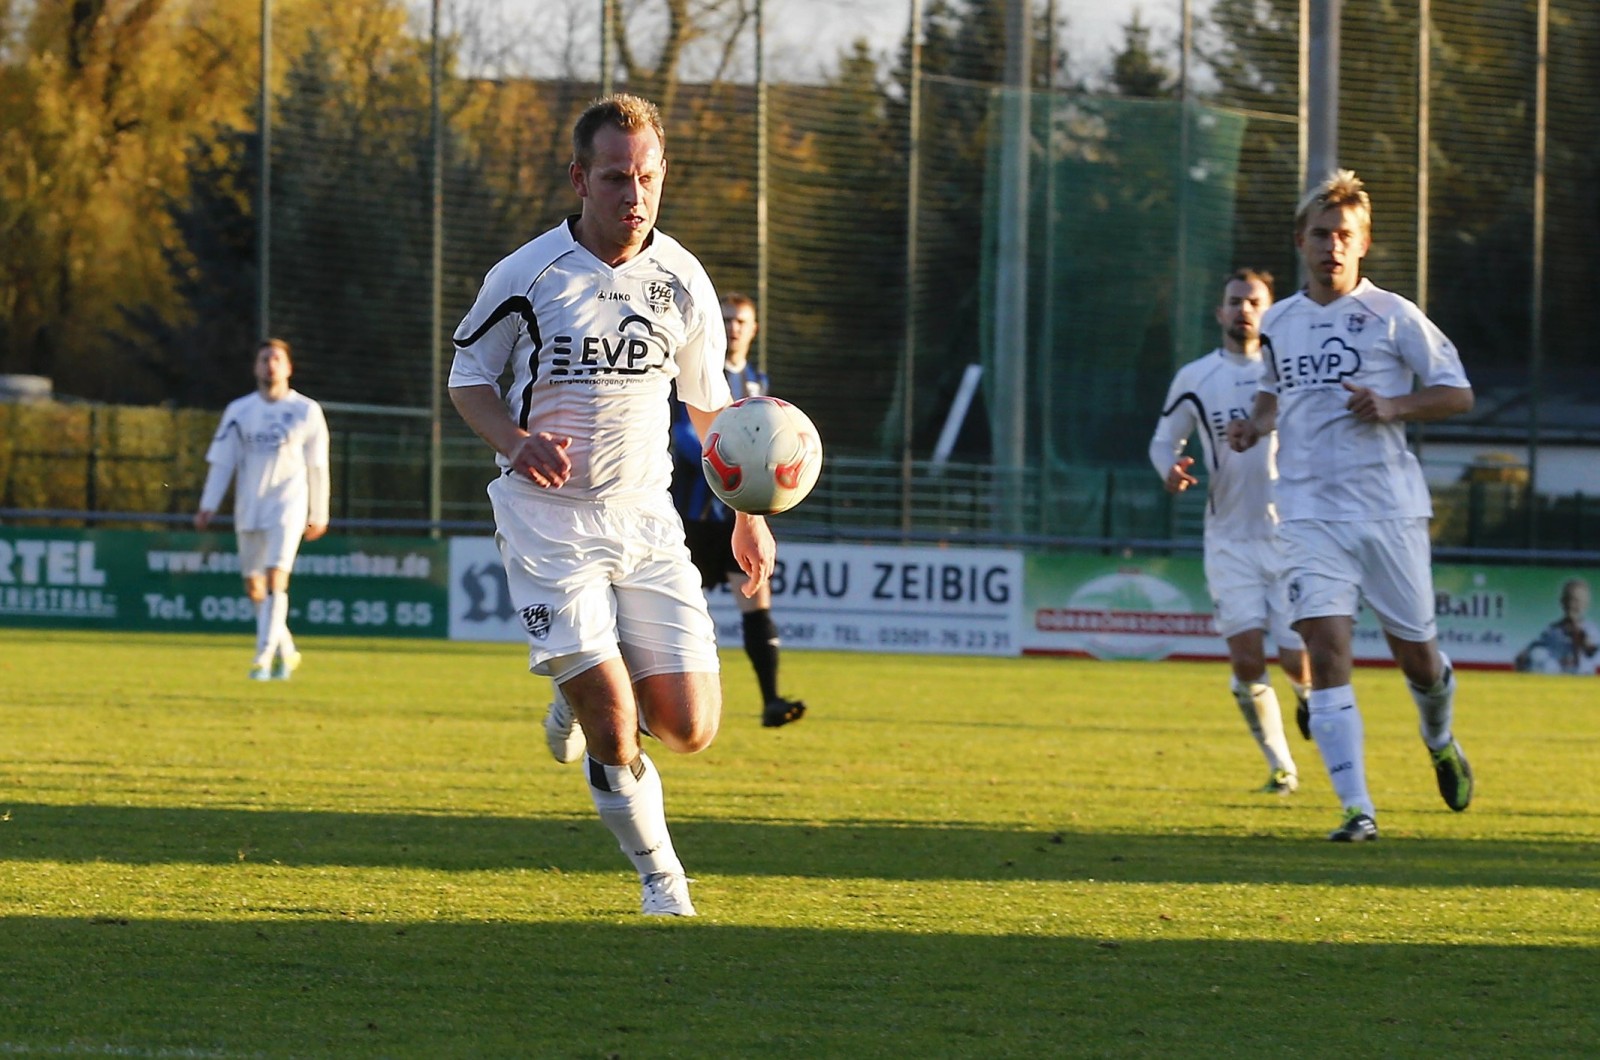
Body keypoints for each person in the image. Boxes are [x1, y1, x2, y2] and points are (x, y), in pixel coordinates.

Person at [447, 93, 775, 917]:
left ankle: (573, 679)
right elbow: (468, 380)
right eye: (617, 178)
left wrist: (748, 508)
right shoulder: (528, 274)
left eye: (648, 178)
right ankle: (662, 878)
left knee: (691, 727)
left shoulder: (683, 279)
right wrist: (515, 441)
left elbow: (711, 412)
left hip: (647, 516)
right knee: (616, 718)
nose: (635, 197)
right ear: (580, 179)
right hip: (548, 521)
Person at [1227, 170, 1475, 842]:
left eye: (1345, 235)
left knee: (1419, 661)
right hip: (1306, 512)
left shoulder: (1394, 315)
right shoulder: (1277, 323)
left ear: (1363, 245)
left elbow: (1457, 392)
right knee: (1326, 649)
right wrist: (1255, 424)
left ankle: (1440, 740)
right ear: (1301, 243)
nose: (1332, 246)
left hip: (1388, 510)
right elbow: (1275, 396)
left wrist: (1395, 405)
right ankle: (1357, 810)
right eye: (1321, 235)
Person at [1150, 268, 1310, 796]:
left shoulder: (1290, 371)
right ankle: (1282, 767)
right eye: (1235, 301)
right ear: (1220, 312)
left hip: (1289, 538)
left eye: (1253, 302)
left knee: (1296, 658)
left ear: (1269, 312)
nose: (1243, 310)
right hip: (1228, 541)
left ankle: (1309, 699)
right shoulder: (1196, 377)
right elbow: (1162, 441)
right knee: (1246, 661)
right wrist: (1168, 471)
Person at [671, 293, 806, 729]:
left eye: (741, 321)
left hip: (736, 520)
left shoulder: (757, 383)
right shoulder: (693, 375)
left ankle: (770, 700)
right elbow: (685, 436)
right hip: (689, 518)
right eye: (726, 319)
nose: (732, 328)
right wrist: (729, 468)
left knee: (756, 604)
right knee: (664, 612)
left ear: (754, 329)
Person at [194, 338, 330, 681]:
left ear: (288, 367)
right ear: (256, 367)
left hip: (288, 505)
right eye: (264, 359)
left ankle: (263, 657)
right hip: (249, 505)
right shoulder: (239, 411)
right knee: (255, 589)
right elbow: (222, 462)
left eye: (276, 358)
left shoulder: (306, 410)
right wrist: (208, 504)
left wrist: (319, 512)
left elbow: (318, 467)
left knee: (275, 579)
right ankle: (287, 651)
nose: (270, 364)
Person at [1515, 577, 1599, 674]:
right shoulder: (1553, 630)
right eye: (1569, 599)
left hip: (1582, 681)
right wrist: (1524, 657)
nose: (1572, 605)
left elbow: (1591, 651)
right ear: (1562, 602)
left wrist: (1579, 635)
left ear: (1586, 604)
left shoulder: (1591, 629)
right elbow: (1533, 649)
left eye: (1577, 601)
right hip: (1558, 680)